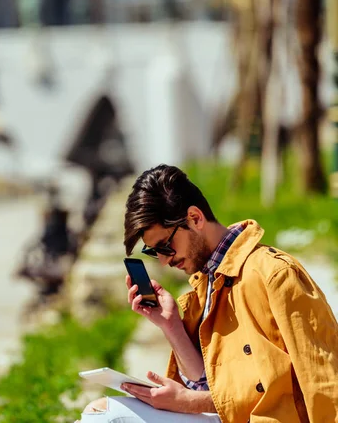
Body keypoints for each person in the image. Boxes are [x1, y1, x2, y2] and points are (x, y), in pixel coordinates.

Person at [78, 164, 338, 423]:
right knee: (101, 413)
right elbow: (206, 382)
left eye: (165, 246)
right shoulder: (206, 282)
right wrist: (171, 325)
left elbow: (323, 378)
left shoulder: (274, 273)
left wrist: (188, 402)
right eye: (153, 252)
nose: (163, 261)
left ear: (195, 218)